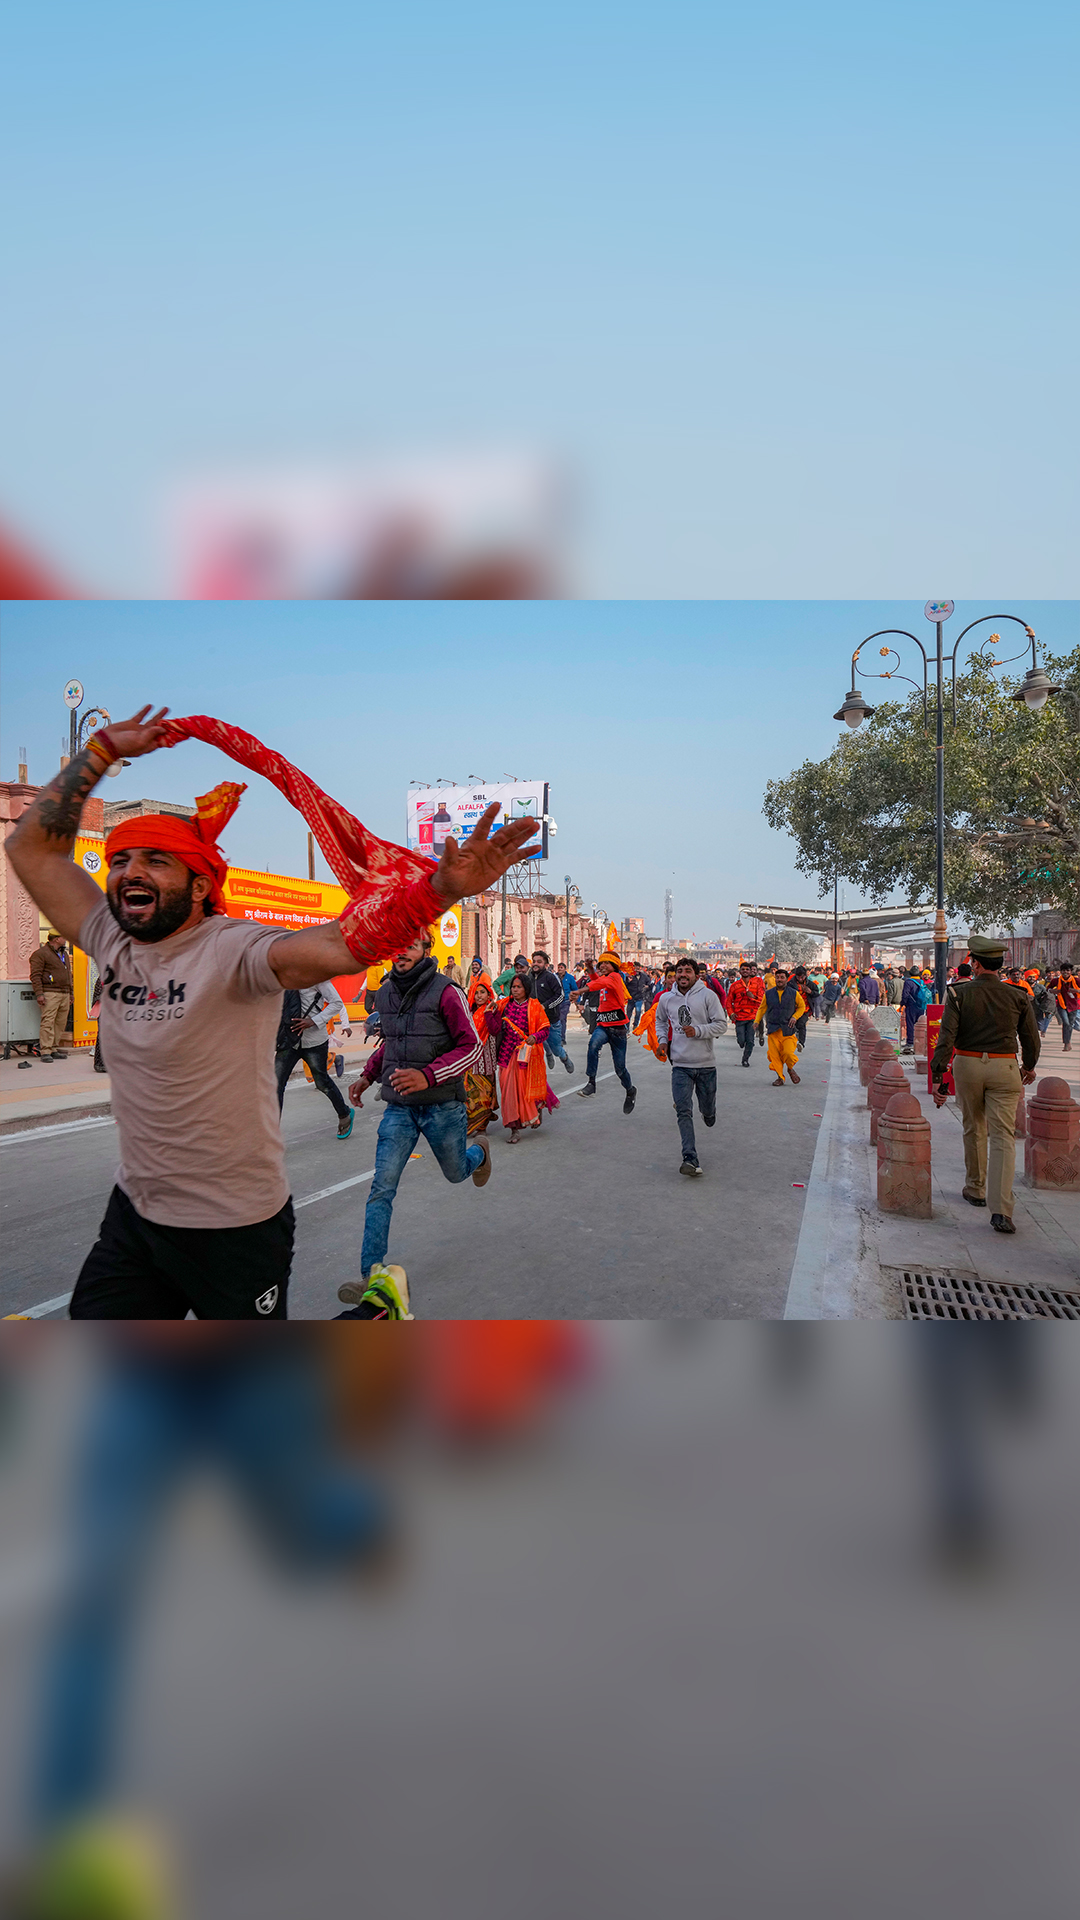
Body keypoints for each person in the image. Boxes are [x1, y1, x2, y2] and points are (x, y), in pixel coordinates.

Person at [3, 705, 539, 1319]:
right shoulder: (110, 937)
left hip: (234, 1225)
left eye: (155, 860)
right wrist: (98, 751)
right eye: (121, 860)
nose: (129, 871)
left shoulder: (234, 948)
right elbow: (33, 850)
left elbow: (340, 944)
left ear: (200, 885)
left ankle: (377, 1312)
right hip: (134, 1217)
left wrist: (436, 892)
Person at [339, 931, 493, 1313]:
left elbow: (470, 1046)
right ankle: (371, 1277)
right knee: (381, 1187)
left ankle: (479, 1153)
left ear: (427, 949)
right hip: (400, 1106)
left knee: (456, 1172)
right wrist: (368, 1075)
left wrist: (428, 1076)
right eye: (396, 945)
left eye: (409, 945)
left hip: (442, 1105)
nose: (401, 952)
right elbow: (392, 1042)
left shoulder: (447, 991)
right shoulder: (388, 991)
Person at [931, 935, 1041, 1234]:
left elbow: (946, 1038)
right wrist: (1028, 1067)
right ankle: (1002, 1210)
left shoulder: (958, 994)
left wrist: (939, 1076)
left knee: (974, 1126)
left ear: (975, 964)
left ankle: (976, 1188)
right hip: (1005, 1066)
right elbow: (1031, 1038)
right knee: (1003, 1136)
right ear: (1001, 965)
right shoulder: (1018, 994)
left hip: (967, 1065)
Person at [654, 958, 727, 1176]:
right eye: (679, 971)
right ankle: (690, 1158)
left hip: (705, 1065)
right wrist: (662, 1041)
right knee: (683, 1110)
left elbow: (721, 1024)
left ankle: (709, 1111)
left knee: (706, 1108)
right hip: (680, 1065)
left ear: (696, 974)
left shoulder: (708, 996)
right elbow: (660, 1021)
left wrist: (698, 1031)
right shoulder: (667, 999)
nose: (683, 975)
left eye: (688, 971)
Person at [274, 979, 354, 1138]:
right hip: (289, 1041)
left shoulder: (317, 977)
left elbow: (337, 1003)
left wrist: (314, 1021)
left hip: (314, 1041)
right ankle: (271, 1134)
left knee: (322, 1082)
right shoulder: (282, 977)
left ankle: (344, 1113)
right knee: (275, 1086)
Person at [570, 951, 637, 1110]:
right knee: (593, 1044)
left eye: (607, 963)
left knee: (620, 1069)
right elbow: (597, 981)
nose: (603, 965)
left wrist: (580, 991)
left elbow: (598, 984)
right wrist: (591, 969)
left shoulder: (615, 977)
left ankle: (630, 1090)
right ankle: (591, 1083)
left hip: (618, 1029)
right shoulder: (605, 979)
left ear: (614, 965)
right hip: (603, 1026)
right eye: (601, 963)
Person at [755, 966, 807, 1086]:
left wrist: (795, 1017)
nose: (779, 979)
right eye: (777, 977)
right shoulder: (768, 994)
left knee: (788, 1053)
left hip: (787, 1030)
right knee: (775, 1056)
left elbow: (802, 1006)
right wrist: (757, 1021)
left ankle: (790, 1068)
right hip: (773, 1030)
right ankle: (780, 1077)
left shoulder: (793, 993)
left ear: (787, 979)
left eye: (782, 977)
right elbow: (762, 1008)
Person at [29, 929, 72, 1061]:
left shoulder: (63, 953)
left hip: (64, 992)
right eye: (63, 937)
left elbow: (69, 976)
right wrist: (39, 993)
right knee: (48, 1021)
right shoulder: (41, 954)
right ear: (56, 939)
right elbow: (35, 975)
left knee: (60, 1022)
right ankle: (45, 1050)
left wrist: (71, 993)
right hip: (50, 992)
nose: (65, 939)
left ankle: (53, 1047)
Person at [464, 979, 500, 1134]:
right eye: (476, 993)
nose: (479, 996)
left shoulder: (493, 1010)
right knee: (470, 1092)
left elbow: (494, 1030)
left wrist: (487, 1014)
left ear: (489, 994)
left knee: (485, 1091)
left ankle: (482, 1126)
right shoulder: (468, 1012)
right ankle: (471, 1122)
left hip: (486, 1056)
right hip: (470, 1057)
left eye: (482, 992)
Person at [531, 947, 575, 1073]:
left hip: (551, 1020)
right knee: (537, 1041)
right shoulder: (529, 978)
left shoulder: (550, 977)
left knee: (556, 1048)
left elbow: (560, 995)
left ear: (546, 964)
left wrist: (546, 1005)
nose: (536, 964)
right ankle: (548, 1055)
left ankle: (564, 1057)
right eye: (534, 961)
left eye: (539, 962)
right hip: (536, 1020)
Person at [726, 959, 766, 1066]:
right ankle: (742, 1044)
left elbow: (762, 1000)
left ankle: (745, 1059)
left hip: (752, 1016)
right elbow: (728, 1001)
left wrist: (753, 997)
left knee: (750, 1041)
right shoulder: (735, 986)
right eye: (742, 969)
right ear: (740, 971)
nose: (745, 971)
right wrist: (730, 1013)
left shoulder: (757, 984)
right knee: (741, 1040)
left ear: (750, 971)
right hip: (739, 1017)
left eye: (747, 969)